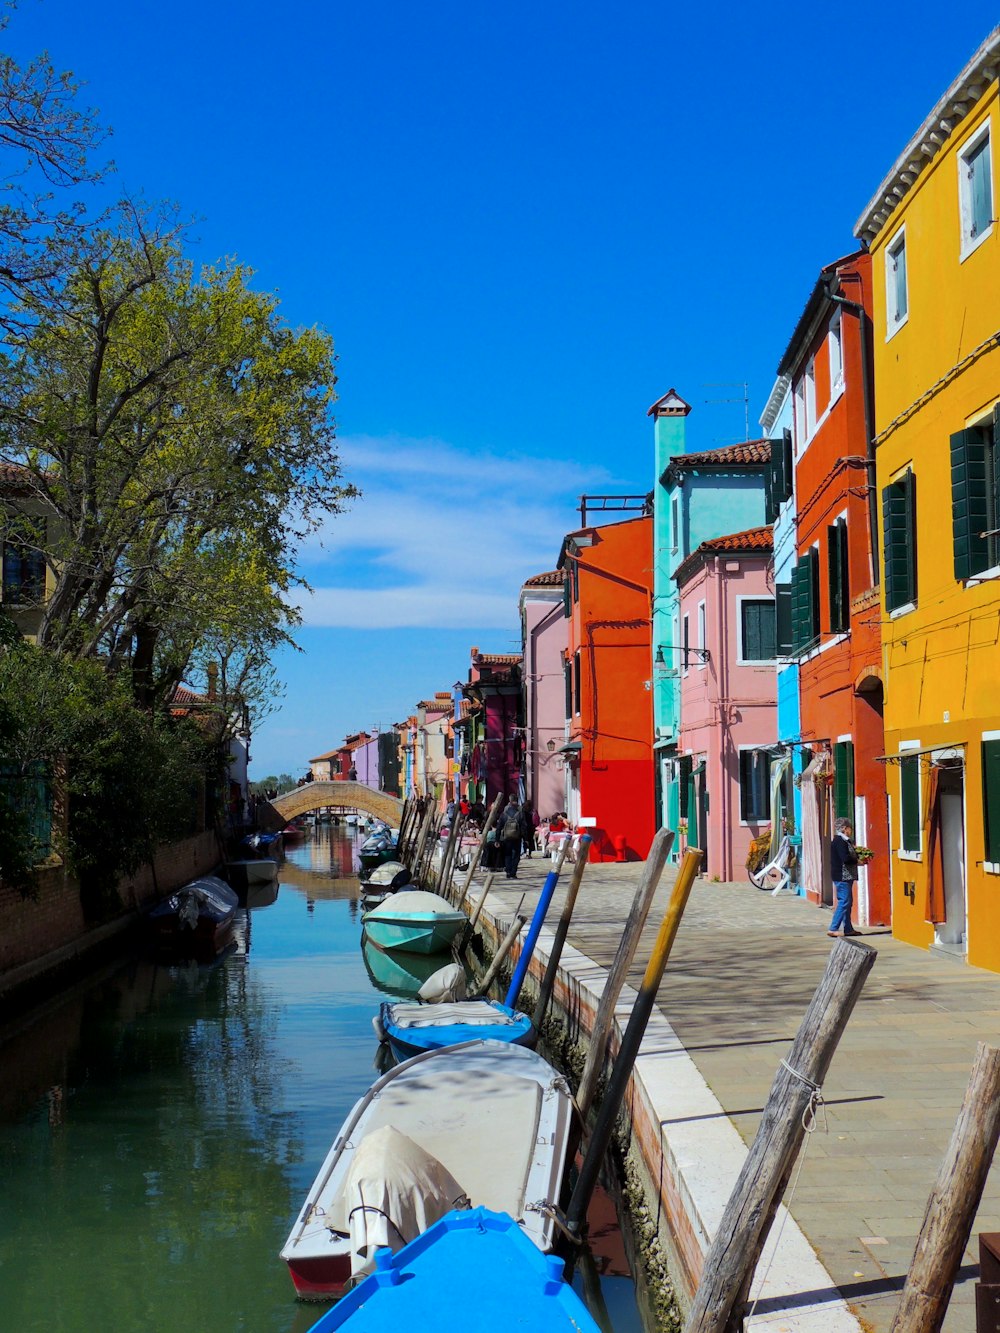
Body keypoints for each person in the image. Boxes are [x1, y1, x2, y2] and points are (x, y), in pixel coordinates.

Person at [828, 817, 861, 937]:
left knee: (848, 902)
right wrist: (857, 861)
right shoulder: (840, 841)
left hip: (847, 876)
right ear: (845, 829)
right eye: (849, 828)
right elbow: (845, 858)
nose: (850, 830)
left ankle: (848, 928)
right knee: (844, 901)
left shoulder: (845, 841)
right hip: (842, 876)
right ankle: (833, 928)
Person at [499, 796, 524, 879]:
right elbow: (524, 826)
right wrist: (525, 838)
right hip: (517, 837)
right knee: (516, 855)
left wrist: (497, 839)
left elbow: (499, 827)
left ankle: (508, 871)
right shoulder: (519, 813)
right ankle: (513, 872)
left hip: (506, 837)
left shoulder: (504, 814)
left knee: (507, 854)